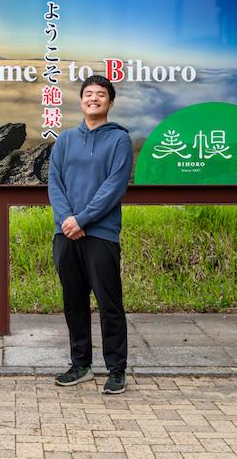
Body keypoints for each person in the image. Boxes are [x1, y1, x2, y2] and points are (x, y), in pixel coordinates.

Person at [47, 75, 133, 394]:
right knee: (74, 301)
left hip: (101, 235)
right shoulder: (66, 139)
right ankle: (80, 364)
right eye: (88, 94)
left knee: (109, 302)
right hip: (66, 234)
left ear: (110, 102)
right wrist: (67, 219)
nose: (93, 98)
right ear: (80, 100)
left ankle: (116, 368)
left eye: (100, 94)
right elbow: (54, 182)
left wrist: (82, 219)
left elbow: (114, 186)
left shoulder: (119, 140)